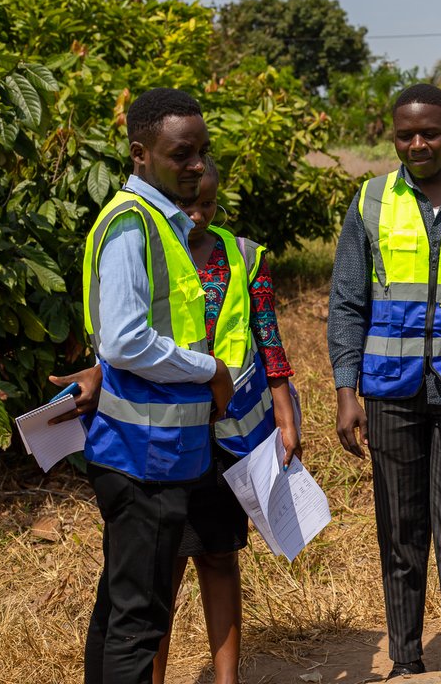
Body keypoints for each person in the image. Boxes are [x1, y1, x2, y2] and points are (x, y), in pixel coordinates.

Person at [62, 159, 301, 684]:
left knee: (218, 555)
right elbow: (128, 339)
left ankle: (226, 678)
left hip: (229, 433)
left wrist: (286, 412)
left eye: (208, 206)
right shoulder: (151, 244)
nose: (197, 215)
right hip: (165, 434)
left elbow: (267, 336)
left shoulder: (239, 255)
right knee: (157, 573)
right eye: (188, 205)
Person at [328, 83, 441, 677]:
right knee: (400, 535)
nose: (417, 144)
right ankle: (406, 665)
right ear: (392, 135)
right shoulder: (370, 200)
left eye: (429, 132)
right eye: (405, 134)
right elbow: (347, 302)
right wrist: (345, 392)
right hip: (389, 389)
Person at [80, 88, 234, 684]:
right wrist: (210, 371)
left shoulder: (159, 221)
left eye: (202, 151)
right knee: (138, 623)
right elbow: (123, 342)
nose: (197, 164)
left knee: (120, 613)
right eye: (182, 153)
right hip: (143, 459)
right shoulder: (132, 224)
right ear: (141, 153)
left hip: (155, 455)